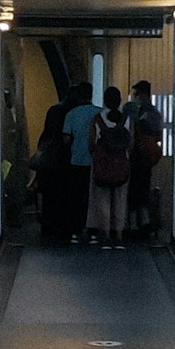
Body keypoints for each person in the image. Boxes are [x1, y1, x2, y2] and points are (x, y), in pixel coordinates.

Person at [86, 85, 133, 248]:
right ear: (119, 100)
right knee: (120, 199)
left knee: (102, 199)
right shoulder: (126, 120)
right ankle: (118, 234)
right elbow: (130, 144)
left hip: (101, 164)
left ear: (105, 101)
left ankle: (104, 232)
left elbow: (91, 144)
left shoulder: (97, 119)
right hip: (122, 164)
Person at [31, 92, 73, 245]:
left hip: (49, 162)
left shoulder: (53, 112)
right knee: (65, 196)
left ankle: (48, 227)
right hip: (66, 161)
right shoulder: (71, 113)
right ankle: (63, 228)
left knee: (49, 196)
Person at [125, 79, 164, 241]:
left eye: (136, 94)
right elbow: (158, 135)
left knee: (135, 189)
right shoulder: (155, 114)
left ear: (144, 95)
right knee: (143, 188)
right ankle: (145, 222)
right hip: (147, 157)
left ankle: (135, 224)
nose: (134, 97)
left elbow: (132, 133)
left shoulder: (141, 114)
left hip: (138, 156)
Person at [62, 77, 98, 244]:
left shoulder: (71, 114)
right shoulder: (99, 113)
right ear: (91, 95)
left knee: (75, 197)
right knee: (93, 198)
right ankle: (92, 231)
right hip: (96, 162)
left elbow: (66, 139)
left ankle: (75, 231)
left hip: (76, 160)